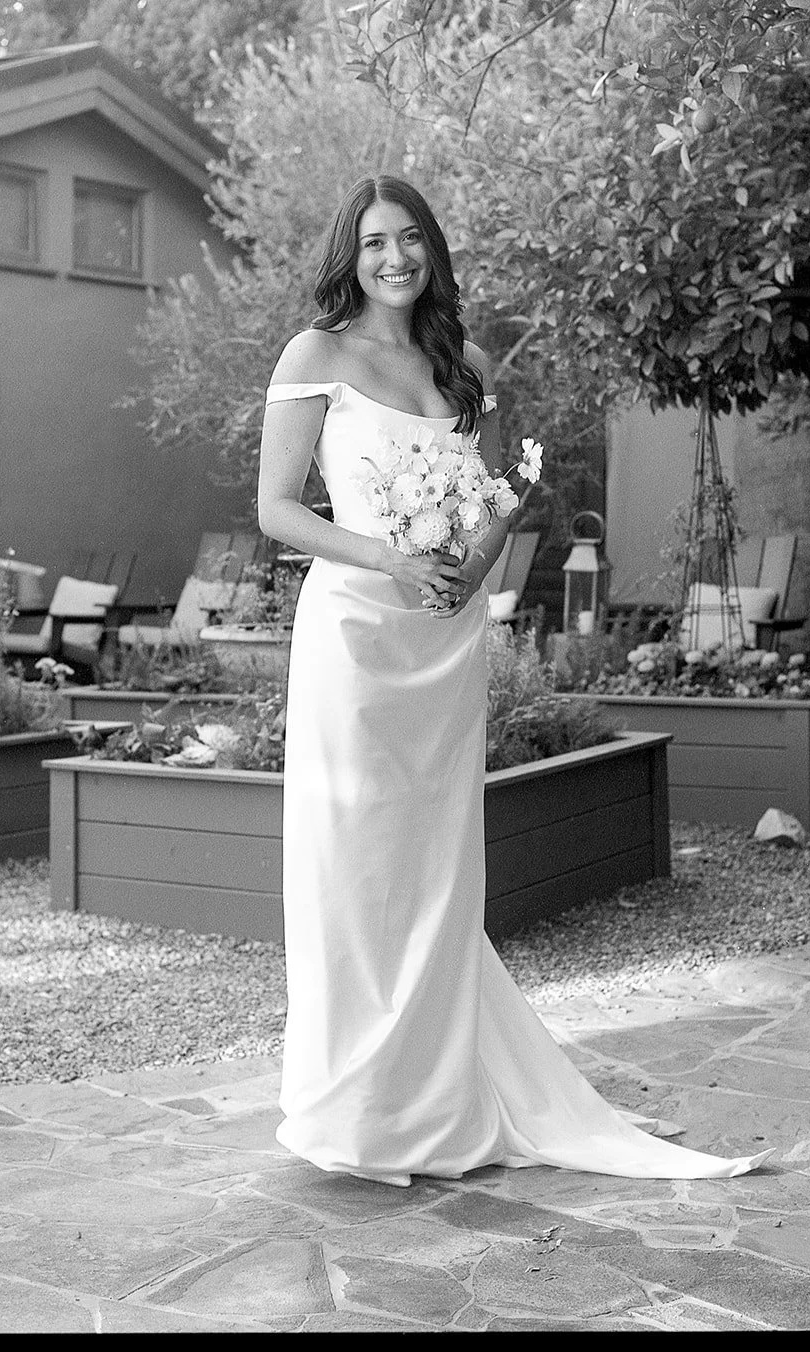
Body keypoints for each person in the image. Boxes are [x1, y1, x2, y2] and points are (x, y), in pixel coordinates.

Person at [257, 175, 770, 1186]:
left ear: (434, 251)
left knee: (437, 870)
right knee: (353, 865)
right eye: (373, 243)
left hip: (444, 644)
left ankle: (435, 1098)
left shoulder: (465, 368)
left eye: (409, 239)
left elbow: (482, 529)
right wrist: (387, 555)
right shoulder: (314, 355)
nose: (393, 258)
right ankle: (356, 1109)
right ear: (348, 256)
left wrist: (492, 527)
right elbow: (278, 509)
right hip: (355, 635)